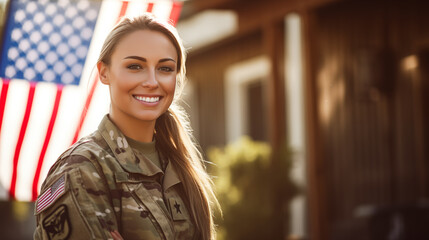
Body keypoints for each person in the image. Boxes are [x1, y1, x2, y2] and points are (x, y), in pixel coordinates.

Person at [34, 13, 219, 240]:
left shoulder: (177, 165)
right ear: (104, 72)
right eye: (135, 66)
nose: (152, 81)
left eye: (165, 68)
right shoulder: (81, 170)